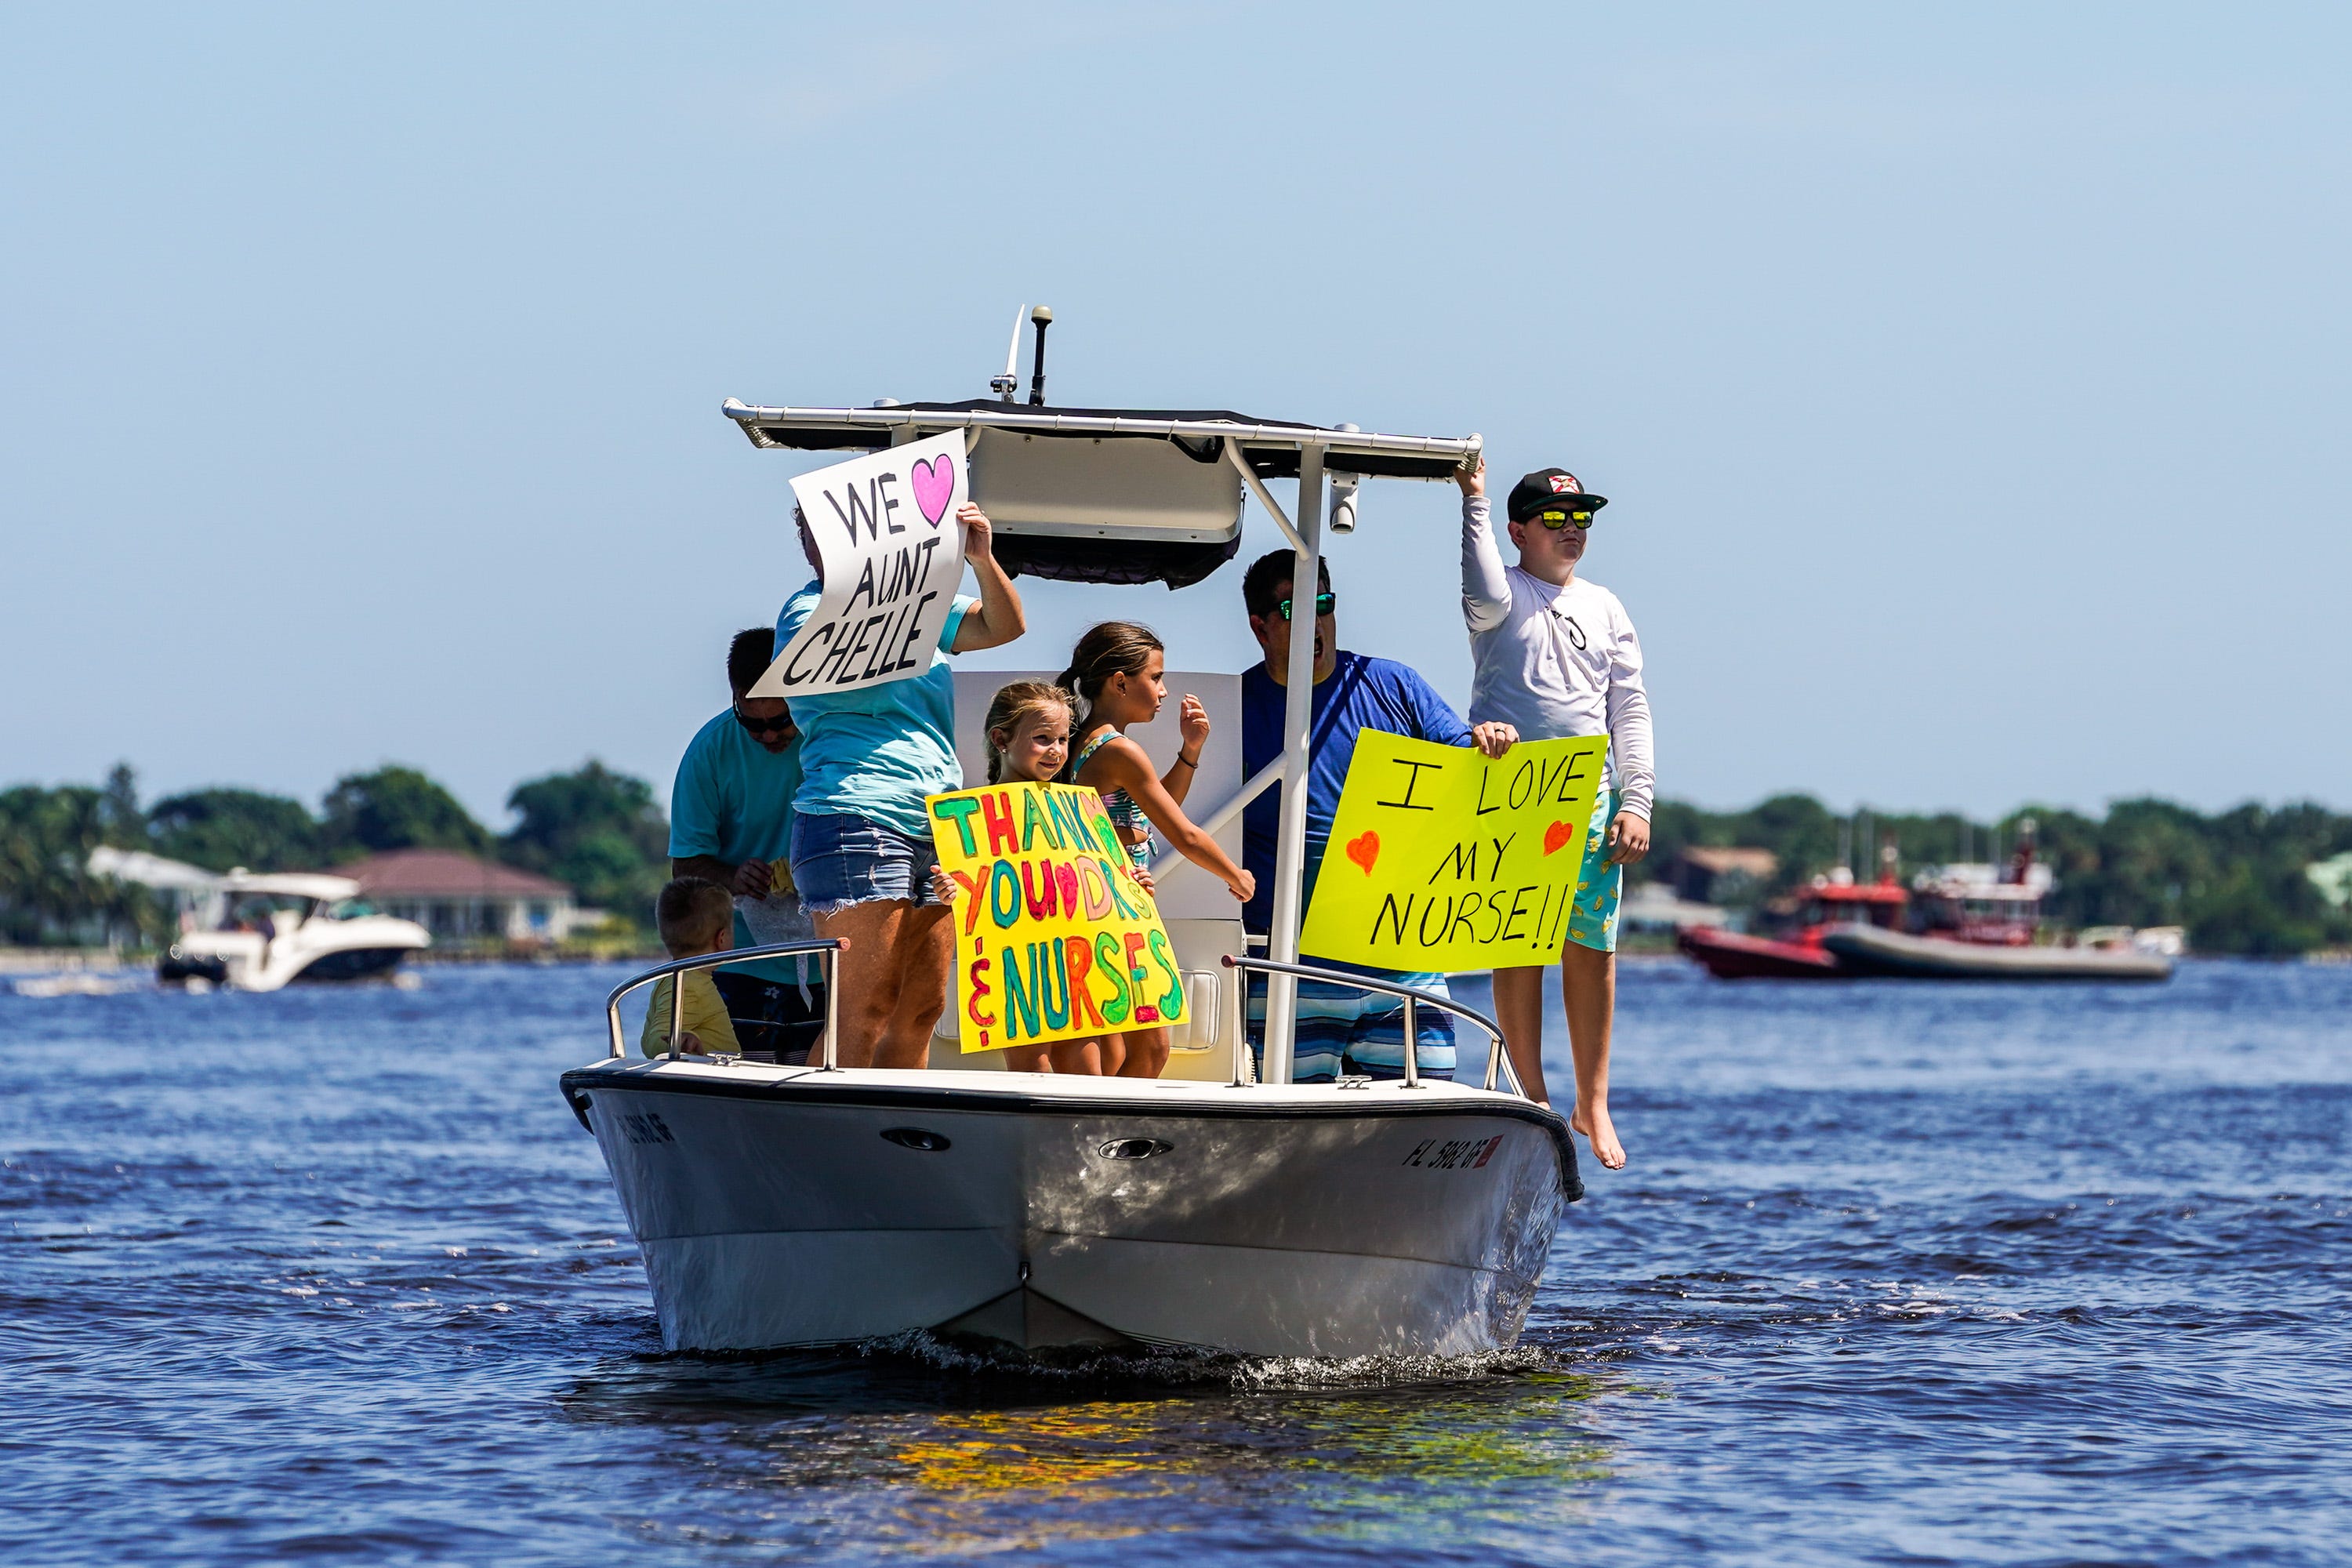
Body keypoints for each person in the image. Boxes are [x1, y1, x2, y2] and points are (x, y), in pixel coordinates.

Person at [1238, 552, 1515, 1083]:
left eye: (1324, 603)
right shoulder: (1235, 707)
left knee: (1430, 1108)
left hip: (1401, 957)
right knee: (1290, 1128)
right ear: (1261, 626)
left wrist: (1490, 741)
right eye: (1296, 608)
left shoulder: (1392, 685)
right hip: (1289, 968)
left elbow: (1468, 769)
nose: (1315, 621)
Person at [779, 503, 1025, 1069]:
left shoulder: (920, 604)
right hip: (853, 815)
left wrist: (980, 561)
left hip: (937, 823)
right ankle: (829, 1140)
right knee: (863, 1009)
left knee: (920, 1008)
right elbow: (855, 659)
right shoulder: (805, 612)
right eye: (817, 535)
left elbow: (1004, 626)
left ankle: (895, 1145)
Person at [1457, 459, 1653, 1171]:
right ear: (1520, 531)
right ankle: (1531, 1085)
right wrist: (1474, 501)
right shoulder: (1501, 594)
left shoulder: (1607, 606)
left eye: (1582, 520)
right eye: (1555, 520)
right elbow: (1478, 578)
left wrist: (1638, 798)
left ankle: (1592, 1098)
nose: (1572, 531)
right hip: (1515, 785)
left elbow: (1629, 708)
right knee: (1519, 940)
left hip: (1591, 790)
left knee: (1592, 946)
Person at [1059, 623, 1255, 1077]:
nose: (1164, 691)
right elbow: (1183, 834)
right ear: (1120, 682)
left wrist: (1190, 751)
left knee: (1110, 1058)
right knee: (1151, 1051)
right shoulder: (1120, 751)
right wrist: (1235, 875)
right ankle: (1105, 1142)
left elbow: (1147, 816)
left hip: (1088, 912)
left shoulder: (1081, 743)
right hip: (1117, 916)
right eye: (1156, 677)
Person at [669, 627, 826, 1063]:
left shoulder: (832, 737)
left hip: (834, 961)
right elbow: (685, 867)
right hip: (742, 965)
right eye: (752, 723)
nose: (769, 736)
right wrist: (735, 876)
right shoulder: (709, 750)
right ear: (734, 700)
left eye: (781, 721)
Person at [641, 877, 740, 1058]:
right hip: (713, 1081)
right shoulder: (687, 984)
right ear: (722, 938)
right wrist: (678, 1042)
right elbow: (656, 1038)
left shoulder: (678, 976)